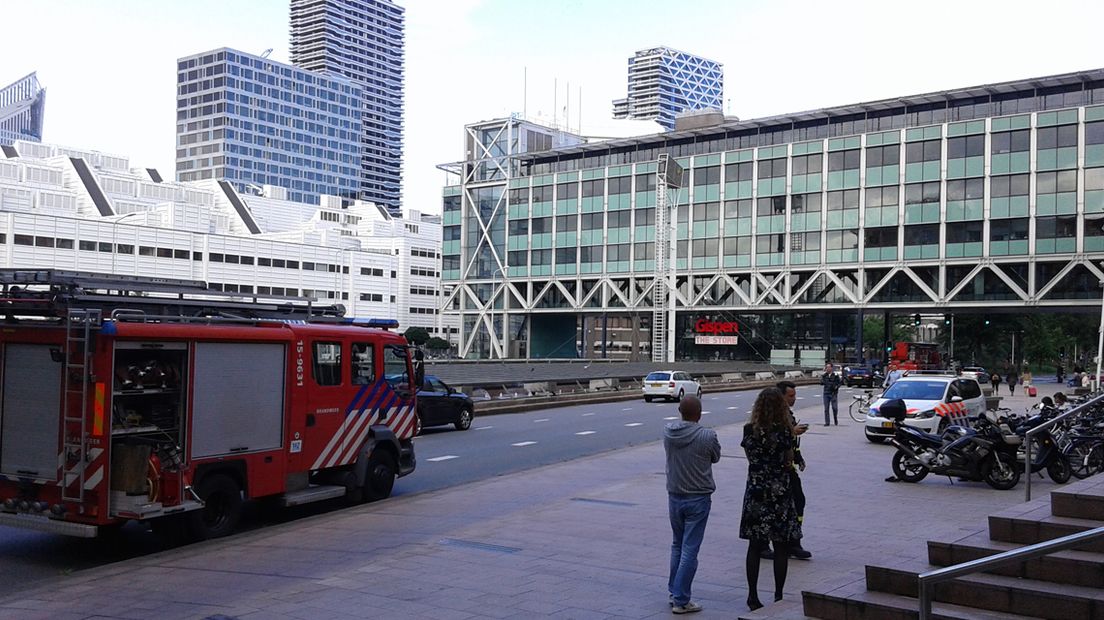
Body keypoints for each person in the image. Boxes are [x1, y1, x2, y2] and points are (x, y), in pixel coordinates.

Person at [740, 388, 801, 610]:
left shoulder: (749, 430)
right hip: (779, 493)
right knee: (781, 546)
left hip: (756, 492)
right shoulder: (785, 431)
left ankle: (752, 595)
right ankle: (778, 594)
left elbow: (750, 459)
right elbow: (788, 459)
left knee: (754, 546)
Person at [663, 395, 720, 615]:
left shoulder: (668, 432)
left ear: (679, 410)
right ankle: (681, 600)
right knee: (690, 548)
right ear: (700, 413)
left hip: (674, 495)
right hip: (698, 498)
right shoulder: (707, 435)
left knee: (677, 545)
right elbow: (715, 457)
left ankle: (673, 591)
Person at [759, 381, 812, 562]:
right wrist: (791, 432)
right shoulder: (768, 418)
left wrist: (798, 458)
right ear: (780, 396)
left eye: (794, 395)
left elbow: (791, 444)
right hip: (771, 471)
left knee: (798, 501)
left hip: (788, 469)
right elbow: (771, 440)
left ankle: (793, 541)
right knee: (768, 508)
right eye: (790, 396)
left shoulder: (787, 415)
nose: (794, 399)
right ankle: (762, 544)